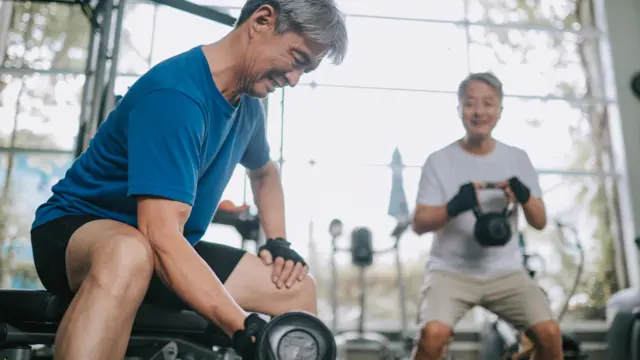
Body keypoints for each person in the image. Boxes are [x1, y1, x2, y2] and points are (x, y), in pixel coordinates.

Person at [29, 1, 348, 359]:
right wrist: (243, 326)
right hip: (77, 234)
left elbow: (265, 173)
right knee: (130, 252)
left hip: (163, 250)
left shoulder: (248, 108)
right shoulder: (176, 96)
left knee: (296, 290)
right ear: (262, 20)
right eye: (297, 58)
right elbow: (160, 237)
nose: (294, 80)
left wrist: (278, 241)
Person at [411, 72, 563, 360]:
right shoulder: (439, 161)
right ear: (459, 110)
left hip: (506, 271)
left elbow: (540, 221)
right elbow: (419, 224)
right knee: (432, 337)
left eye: (487, 103)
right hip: (450, 271)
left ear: (499, 111)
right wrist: (455, 205)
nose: (479, 111)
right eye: (470, 104)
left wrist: (523, 194)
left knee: (550, 335)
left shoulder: (517, 159)